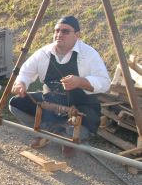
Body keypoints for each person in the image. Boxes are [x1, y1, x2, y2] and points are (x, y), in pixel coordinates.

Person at [9, 16, 110, 157]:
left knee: (83, 127)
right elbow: (25, 72)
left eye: (65, 31)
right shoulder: (44, 53)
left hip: (80, 108)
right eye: (56, 31)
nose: (59, 34)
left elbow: (105, 82)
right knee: (15, 103)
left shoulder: (89, 54)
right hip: (50, 106)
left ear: (77, 35)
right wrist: (21, 83)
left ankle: (65, 136)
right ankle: (49, 129)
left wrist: (80, 81)